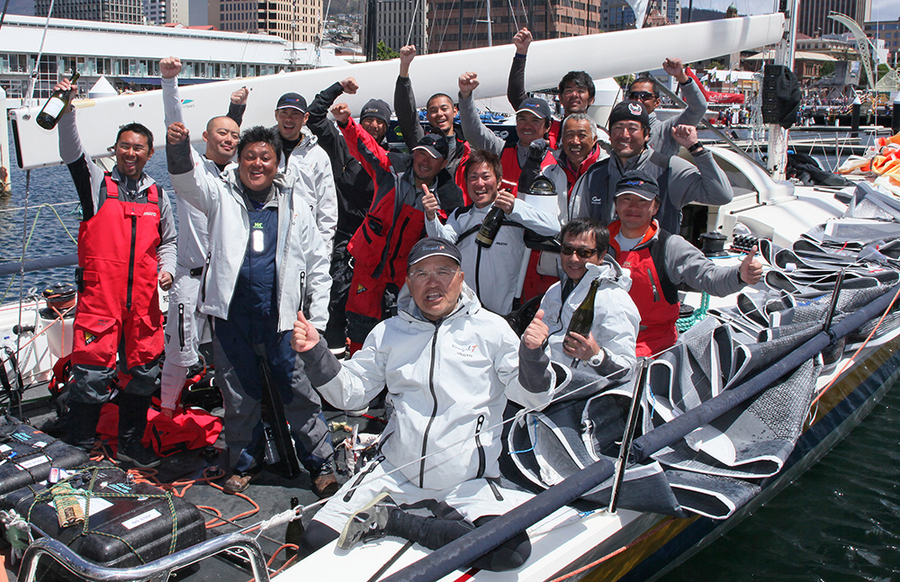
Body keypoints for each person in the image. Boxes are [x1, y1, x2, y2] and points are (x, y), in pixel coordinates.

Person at [291, 237, 559, 570]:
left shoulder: (492, 330)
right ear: (408, 282)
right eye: (420, 273)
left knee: (510, 551)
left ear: (461, 278)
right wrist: (316, 354)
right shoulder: (388, 332)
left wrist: (532, 357)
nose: (432, 282)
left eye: (443, 271)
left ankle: (393, 522)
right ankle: (417, 524)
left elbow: (534, 397)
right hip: (393, 473)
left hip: (465, 483)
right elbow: (353, 394)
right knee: (314, 544)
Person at [166, 123, 338, 497]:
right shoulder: (220, 196)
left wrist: (318, 321)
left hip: (282, 320)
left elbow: (319, 265)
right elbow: (186, 182)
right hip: (232, 320)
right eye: (249, 157)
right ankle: (245, 462)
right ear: (238, 161)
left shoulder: (296, 205)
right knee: (238, 398)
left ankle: (321, 463)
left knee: (299, 396)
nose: (257, 164)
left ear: (277, 163)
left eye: (265, 157)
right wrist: (178, 146)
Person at [54, 77, 177, 469]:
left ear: (149, 153)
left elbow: (169, 243)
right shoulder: (96, 186)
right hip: (101, 303)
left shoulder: (159, 197)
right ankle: (80, 447)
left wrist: (168, 270)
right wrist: (66, 111)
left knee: (143, 375)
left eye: (138, 147)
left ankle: (129, 446)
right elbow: (73, 153)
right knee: (90, 375)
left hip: (143, 305)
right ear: (115, 150)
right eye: (124, 146)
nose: (130, 153)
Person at [332, 102, 464, 353]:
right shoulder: (391, 170)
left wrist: (432, 214)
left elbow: (449, 241)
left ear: (443, 163)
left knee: (404, 330)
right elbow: (366, 147)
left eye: (433, 158)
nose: (425, 161)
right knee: (360, 324)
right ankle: (361, 376)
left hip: (406, 276)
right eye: (422, 153)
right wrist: (347, 124)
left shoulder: (448, 197)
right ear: (414, 153)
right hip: (368, 266)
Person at [158, 56, 244, 418]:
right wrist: (169, 82)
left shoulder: (244, 176)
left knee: (230, 355)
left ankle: (233, 419)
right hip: (189, 280)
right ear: (206, 137)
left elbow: (232, 136)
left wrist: (237, 109)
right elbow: (175, 126)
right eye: (220, 134)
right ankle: (164, 415)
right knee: (178, 352)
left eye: (234, 136)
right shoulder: (192, 172)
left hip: (226, 282)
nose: (228, 139)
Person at [607, 172, 763, 357]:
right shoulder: (596, 242)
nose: (633, 206)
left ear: (655, 207)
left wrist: (739, 275)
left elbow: (710, 278)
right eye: (626, 199)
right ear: (616, 205)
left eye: (643, 201)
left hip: (650, 346)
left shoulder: (670, 246)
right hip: (603, 339)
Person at [306, 76, 403, 354]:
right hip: (344, 239)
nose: (373, 125)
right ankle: (333, 358)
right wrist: (337, 88)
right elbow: (313, 116)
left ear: (387, 127)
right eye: (369, 119)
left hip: (376, 245)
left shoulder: (390, 160)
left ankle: (370, 357)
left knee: (375, 306)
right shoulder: (339, 146)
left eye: (380, 122)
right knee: (336, 301)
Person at [424, 149, 559, 315]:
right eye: (473, 177)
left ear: (499, 181)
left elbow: (553, 228)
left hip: (504, 313)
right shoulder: (460, 215)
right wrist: (431, 217)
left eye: (486, 177)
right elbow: (442, 242)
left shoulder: (514, 210)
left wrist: (514, 209)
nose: (480, 183)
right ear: (465, 182)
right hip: (466, 311)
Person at [571, 100, 733, 234]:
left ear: (647, 134)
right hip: (607, 267)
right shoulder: (595, 173)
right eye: (618, 128)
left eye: (632, 129)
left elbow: (721, 195)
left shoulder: (669, 168)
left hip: (653, 267)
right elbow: (583, 224)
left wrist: (696, 149)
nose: (624, 135)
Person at [539, 218, 639, 377]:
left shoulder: (616, 300)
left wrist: (596, 356)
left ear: (601, 256)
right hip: (547, 386)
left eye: (584, 252)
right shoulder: (555, 290)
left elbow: (627, 370)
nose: (573, 258)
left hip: (583, 395)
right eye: (567, 249)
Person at [457, 72, 558, 197]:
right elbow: (474, 133)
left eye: (535, 120)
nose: (527, 125)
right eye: (522, 119)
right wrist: (466, 96)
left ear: (547, 127)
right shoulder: (501, 150)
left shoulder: (556, 162)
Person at [395, 45, 470, 195]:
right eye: (433, 111)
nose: (439, 114)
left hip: (460, 214)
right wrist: (404, 68)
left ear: (455, 111)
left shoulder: (469, 147)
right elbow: (406, 115)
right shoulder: (422, 142)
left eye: (444, 109)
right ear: (427, 117)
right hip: (425, 210)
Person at [507, 27, 595, 148]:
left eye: (580, 91)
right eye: (569, 91)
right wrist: (521, 53)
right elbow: (516, 96)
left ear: (592, 99)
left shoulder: (600, 134)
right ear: (560, 97)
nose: (574, 95)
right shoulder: (547, 129)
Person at [273, 91, 338, 255]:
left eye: (295, 114)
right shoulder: (262, 149)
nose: (289, 119)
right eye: (284, 113)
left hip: (303, 240)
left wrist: (324, 254)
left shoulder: (318, 155)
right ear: (276, 115)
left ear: (305, 118)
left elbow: (327, 208)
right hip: (268, 234)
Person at [627, 58, 708, 159]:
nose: (638, 100)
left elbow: (698, 108)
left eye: (645, 96)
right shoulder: (619, 130)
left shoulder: (668, 131)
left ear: (657, 102)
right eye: (634, 95)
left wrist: (680, 76)